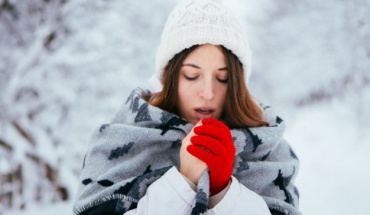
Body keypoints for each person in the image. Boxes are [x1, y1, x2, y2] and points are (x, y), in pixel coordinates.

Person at [73, 0, 301, 214]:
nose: (208, 93)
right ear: (170, 77)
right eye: (192, 76)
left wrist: (224, 193)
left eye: (223, 79)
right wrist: (184, 182)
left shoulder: (268, 150)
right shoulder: (120, 137)